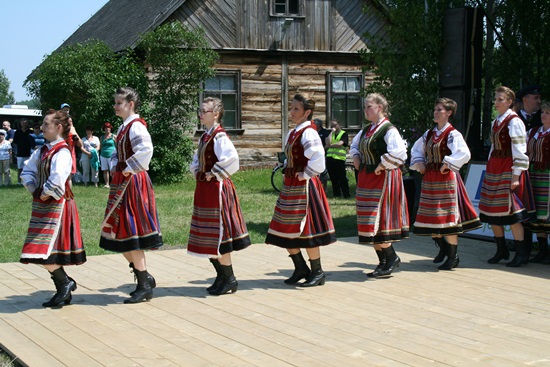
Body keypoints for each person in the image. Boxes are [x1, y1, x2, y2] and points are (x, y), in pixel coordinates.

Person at [266, 93, 336, 287]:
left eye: (296, 109)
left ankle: (317, 272)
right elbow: (293, 157)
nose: (292, 111)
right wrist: (288, 167)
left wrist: (305, 174)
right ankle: (300, 267)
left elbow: (318, 160)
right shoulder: (294, 132)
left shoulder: (309, 133)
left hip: (304, 187)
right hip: (291, 186)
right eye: (292, 107)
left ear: (307, 112)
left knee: (307, 230)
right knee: (284, 228)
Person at [100, 87, 162, 304]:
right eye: (116, 102)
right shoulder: (125, 127)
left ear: (131, 104)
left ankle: (144, 284)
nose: (115, 106)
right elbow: (122, 152)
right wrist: (120, 163)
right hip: (123, 181)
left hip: (132, 182)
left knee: (130, 232)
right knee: (118, 233)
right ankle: (143, 275)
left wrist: (128, 168)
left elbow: (146, 150)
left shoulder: (136, 126)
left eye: (119, 103)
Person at [20, 109, 86, 308]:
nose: (42, 127)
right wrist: (34, 188)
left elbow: (58, 177)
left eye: (46, 124)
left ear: (58, 128)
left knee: (42, 249)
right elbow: (27, 169)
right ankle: (64, 284)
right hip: (43, 205)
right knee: (38, 249)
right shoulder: (42, 150)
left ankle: (64, 284)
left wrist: (45, 192)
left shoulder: (63, 151)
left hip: (58, 206)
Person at [188, 97, 251, 295]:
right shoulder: (206, 136)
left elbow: (232, 160)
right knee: (207, 237)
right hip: (205, 190)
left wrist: (212, 173)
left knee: (219, 235)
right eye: (200, 110)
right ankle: (221, 277)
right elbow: (196, 161)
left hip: (217, 191)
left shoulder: (219, 137)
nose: (200, 114)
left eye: (204, 111)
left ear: (215, 114)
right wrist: (198, 170)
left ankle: (229, 279)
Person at [409, 98, 482, 270]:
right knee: (432, 217)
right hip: (430, 179)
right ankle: (443, 248)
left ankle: (453, 256)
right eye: (435, 109)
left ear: (449, 113)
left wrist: (448, 163)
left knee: (447, 218)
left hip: (446, 179)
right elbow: (416, 150)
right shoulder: (428, 134)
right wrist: (419, 162)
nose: (436, 112)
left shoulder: (452, 134)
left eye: (440, 110)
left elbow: (464, 153)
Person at [350, 93, 409, 277]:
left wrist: (382, 165)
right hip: (367, 178)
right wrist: (356, 157)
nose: (365, 110)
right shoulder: (367, 130)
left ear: (380, 108)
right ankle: (383, 261)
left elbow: (399, 153)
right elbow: (354, 146)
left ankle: (391, 257)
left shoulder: (388, 129)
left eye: (369, 106)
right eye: (365, 106)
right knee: (368, 221)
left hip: (383, 179)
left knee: (379, 219)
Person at [478, 86, 534, 267]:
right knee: (491, 211)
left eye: (500, 99)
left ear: (510, 102)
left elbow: (520, 150)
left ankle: (521, 253)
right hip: (495, 168)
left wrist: (516, 175)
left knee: (513, 212)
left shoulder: (514, 121)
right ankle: (501, 249)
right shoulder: (496, 121)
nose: (496, 102)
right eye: (496, 99)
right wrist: (489, 166)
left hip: (507, 168)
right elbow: (494, 148)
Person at [525, 100, 550, 264]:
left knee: (547, 212)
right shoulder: (533, 131)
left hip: (548, 176)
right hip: (533, 175)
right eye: (542, 112)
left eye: (548, 113)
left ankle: (546, 251)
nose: (543, 115)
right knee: (537, 214)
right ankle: (542, 251)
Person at [325, 119, 350, 198]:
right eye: (332, 126)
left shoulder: (344, 134)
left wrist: (330, 145)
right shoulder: (331, 134)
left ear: (339, 125)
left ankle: (346, 194)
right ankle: (337, 194)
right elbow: (327, 142)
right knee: (333, 178)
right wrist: (331, 132)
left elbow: (340, 144)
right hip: (330, 158)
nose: (334, 127)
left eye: (335, 125)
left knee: (342, 177)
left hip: (339, 158)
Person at [13, 118, 35, 184]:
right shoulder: (17, 132)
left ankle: (28, 181)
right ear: (20, 124)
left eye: (25, 123)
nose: (24, 124)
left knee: (28, 168)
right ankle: (19, 181)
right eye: (23, 123)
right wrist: (17, 149)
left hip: (29, 153)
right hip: (20, 153)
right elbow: (15, 142)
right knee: (20, 168)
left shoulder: (31, 132)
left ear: (28, 124)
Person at [312, 118, 330, 190]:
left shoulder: (325, 132)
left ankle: (324, 189)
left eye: (314, 124)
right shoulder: (313, 132)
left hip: (323, 155)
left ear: (318, 125)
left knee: (323, 172)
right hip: (313, 155)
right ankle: (316, 188)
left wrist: (320, 150)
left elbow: (327, 144)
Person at [100, 122, 116, 188]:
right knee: (105, 170)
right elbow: (101, 146)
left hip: (112, 155)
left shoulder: (114, 136)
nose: (107, 129)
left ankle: (114, 183)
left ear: (110, 128)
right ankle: (107, 184)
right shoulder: (102, 137)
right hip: (103, 155)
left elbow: (118, 145)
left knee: (112, 170)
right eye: (106, 128)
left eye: (108, 128)